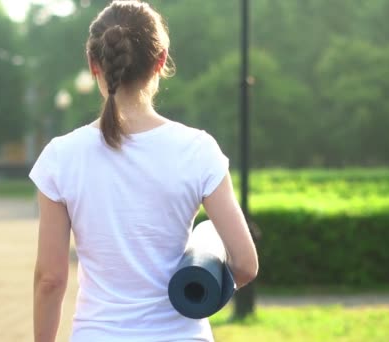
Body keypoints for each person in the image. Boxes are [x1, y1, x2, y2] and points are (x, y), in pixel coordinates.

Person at [29, 1, 258, 341]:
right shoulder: (197, 150)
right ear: (161, 61)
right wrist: (204, 286)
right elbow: (245, 264)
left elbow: (50, 280)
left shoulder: (61, 157)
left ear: (94, 65)